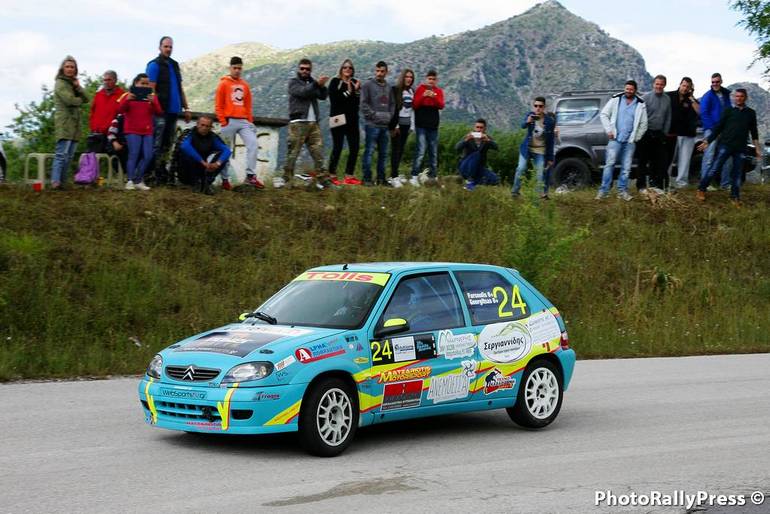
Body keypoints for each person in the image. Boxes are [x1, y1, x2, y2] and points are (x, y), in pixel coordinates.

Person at [696, 88, 759, 205]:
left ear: (745, 98)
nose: (738, 98)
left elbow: (754, 132)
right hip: (726, 145)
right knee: (714, 168)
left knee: (737, 173)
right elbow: (718, 128)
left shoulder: (750, 113)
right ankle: (701, 189)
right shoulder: (728, 110)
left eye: (741, 96)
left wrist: (757, 149)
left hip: (741, 148)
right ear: (734, 97)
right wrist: (708, 141)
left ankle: (735, 197)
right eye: (737, 96)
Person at [147, 36, 191, 185]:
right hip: (160, 112)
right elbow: (151, 90)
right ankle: (150, 174)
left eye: (170, 47)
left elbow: (180, 88)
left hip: (174, 111)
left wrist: (186, 107)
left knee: (167, 144)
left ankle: (162, 174)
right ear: (160, 47)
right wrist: (156, 109)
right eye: (166, 46)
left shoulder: (175, 65)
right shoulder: (154, 65)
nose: (168, 49)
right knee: (156, 144)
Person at [215, 56, 263, 190]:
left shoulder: (245, 85)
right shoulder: (223, 84)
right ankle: (225, 180)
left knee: (253, 144)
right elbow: (218, 105)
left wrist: (250, 122)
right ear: (230, 68)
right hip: (228, 121)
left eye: (239, 68)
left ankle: (250, 176)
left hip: (243, 121)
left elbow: (248, 106)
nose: (237, 70)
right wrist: (223, 121)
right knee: (226, 151)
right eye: (235, 68)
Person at [281, 58, 330, 189]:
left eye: (307, 69)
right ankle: (287, 180)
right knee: (293, 153)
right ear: (298, 69)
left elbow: (323, 96)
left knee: (318, 152)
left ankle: (323, 180)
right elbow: (303, 92)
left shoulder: (313, 83)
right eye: (302, 68)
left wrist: (322, 86)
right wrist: (316, 84)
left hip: (313, 123)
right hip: (298, 122)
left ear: (310, 70)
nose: (304, 71)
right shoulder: (293, 82)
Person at [596, 80, 648, 201]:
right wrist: (609, 130)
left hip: (629, 142)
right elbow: (604, 114)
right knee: (609, 165)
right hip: (615, 139)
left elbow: (644, 123)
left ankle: (622, 191)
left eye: (631, 89)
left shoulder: (640, 104)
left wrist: (636, 137)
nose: (628, 91)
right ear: (624, 88)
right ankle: (603, 192)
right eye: (627, 88)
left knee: (626, 168)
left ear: (635, 90)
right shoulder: (616, 99)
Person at [51, 55, 89, 190]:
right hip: (64, 123)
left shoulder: (73, 84)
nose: (70, 69)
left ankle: (63, 182)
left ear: (75, 69)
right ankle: (55, 182)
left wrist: (78, 87)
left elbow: (87, 98)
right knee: (61, 154)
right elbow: (70, 101)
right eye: (67, 66)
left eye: (72, 67)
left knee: (69, 156)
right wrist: (79, 100)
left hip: (75, 124)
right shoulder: (60, 83)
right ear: (62, 68)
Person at [119, 73, 163, 190]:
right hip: (132, 130)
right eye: (142, 83)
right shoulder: (128, 95)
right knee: (134, 154)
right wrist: (127, 100)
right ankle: (130, 180)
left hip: (147, 130)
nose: (145, 86)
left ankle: (138, 179)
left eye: (147, 84)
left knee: (148, 155)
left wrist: (153, 102)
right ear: (136, 83)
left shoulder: (152, 96)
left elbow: (159, 112)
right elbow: (120, 110)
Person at [511, 97, 556, 198]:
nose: (538, 108)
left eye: (540, 106)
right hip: (526, 148)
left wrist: (550, 158)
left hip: (540, 150)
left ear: (544, 107)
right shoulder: (530, 115)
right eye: (536, 106)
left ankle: (536, 196)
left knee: (539, 174)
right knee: (520, 168)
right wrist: (527, 121)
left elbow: (551, 141)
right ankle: (515, 192)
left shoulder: (549, 122)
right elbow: (522, 126)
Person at [327, 59, 362, 186]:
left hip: (352, 119)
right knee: (338, 147)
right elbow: (334, 100)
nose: (347, 69)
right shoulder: (335, 82)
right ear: (341, 69)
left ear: (353, 70)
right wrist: (348, 92)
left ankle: (349, 176)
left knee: (355, 147)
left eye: (350, 68)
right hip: (337, 118)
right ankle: (331, 174)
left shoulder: (355, 82)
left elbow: (357, 102)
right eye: (345, 67)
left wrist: (356, 92)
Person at [177, 115, 232, 195]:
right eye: (202, 125)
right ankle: (195, 183)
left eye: (207, 126)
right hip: (186, 171)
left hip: (203, 169)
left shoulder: (212, 137)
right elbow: (184, 146)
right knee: (187, 154)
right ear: (197, 124)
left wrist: (217, 163)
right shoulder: (190, 133)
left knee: (222, 157)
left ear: (210, 127)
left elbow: (227, 150)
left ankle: (206, 183)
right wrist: (202, 162)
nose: (204, 128)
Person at [361, 61, 395, 186]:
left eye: (382, 71)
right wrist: (373, 116)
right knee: (369, 152)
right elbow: (363, 104)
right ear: (375, 71)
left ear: (386, 72)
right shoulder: (367, 85)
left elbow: (392, 104)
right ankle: (367, 179)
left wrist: (390, 116)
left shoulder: (389, 87)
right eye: (377, 71)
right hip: (372, 125)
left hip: (385, 126)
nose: (379, 73)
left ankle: (381, 179)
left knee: (383, 154)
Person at [636, 75, 671, 192]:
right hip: (646, 133)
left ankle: (657, 186)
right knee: (643, 161)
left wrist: (664, 133)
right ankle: (641, 186)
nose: (659, 86)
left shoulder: (667, 99)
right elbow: (639, 117)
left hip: (659, 134)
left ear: (664, 85)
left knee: (659, 161)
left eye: (661, 84)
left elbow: (668, 117)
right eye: (657, 84)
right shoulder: (645, 98)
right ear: (653, 84)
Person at [410, 69, 445, 186]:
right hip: (421, 125)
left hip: (433, 125)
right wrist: (423, 96)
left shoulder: (438, 91)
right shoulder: (420, 89)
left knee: (433, 152)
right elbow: (415, 105)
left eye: (433, 79)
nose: (431, 81)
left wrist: (434, 97)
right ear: (426, 79)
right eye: (430, 79)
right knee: (420, 150)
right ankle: (414, 175)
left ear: (436, 80)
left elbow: (441, 105)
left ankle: (433, 175)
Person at [699, 73, 732, 189]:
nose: (715, 84)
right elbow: (704, 114)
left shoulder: (727, 94)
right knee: (709, 156)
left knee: (726, 156)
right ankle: (705, 184)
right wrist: (714, 130)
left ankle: (725, 184)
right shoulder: (707, 96)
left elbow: (730, 112)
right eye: (713, 82)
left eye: (717, 82)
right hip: (711, 130)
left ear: (721, 81)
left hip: (725, 130)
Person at [666, 77, 700, 189]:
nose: (685, 88)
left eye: (688, 87)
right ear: (680, 84)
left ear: (690, 88)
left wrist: (691, 97)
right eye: (684, 85)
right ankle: (665, 181)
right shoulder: (669, 96)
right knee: (668, 159)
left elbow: (700, 112)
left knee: (684, 160)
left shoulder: (692, 100)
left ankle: (682, 183)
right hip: (672, 133)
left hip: (688, 134)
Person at [388, 68, 416, 188]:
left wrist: (412, 125)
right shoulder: (395, 90)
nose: (409, 79)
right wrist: (395, 125)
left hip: (407, 124)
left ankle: (394, 174)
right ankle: (393, 177)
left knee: (401, 150)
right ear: (402, 77)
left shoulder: (411, 91)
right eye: (407, 76)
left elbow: (412, 110)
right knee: (396, 150)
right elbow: (392, 108)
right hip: (397, 125)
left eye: (411, 77)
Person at [456, 118, 500, 190]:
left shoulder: (486, 138)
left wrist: (488, 141)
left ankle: (473, 182)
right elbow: (457, 148)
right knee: (477, 154)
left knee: (495, 179)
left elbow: (497, 147)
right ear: (474, 128)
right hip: (466, 165)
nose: (479, 129)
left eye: (481, 128)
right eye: (477, 127)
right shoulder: (468, 137)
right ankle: (470, 181)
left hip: (479, 167)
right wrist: (466, 140)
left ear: (485, 129)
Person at [89, 71, 125, 150]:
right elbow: (92, 112)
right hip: (97, 133)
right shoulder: (98, 95)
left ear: (115, 80)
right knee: (94, 156)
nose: (106, 82)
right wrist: (93, 127)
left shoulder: (122, 95)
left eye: (109, 80)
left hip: (113, 135)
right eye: (105, 80)